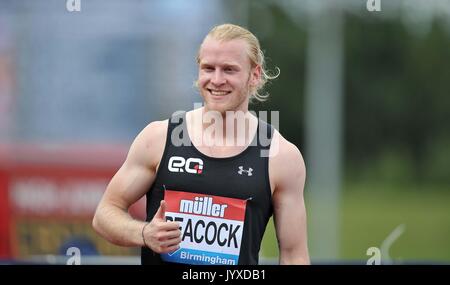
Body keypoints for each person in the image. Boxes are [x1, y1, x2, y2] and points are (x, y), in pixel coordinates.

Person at [92, 23, 309, 265]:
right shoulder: (158, 138)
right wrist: (144, 234)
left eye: (229, 70)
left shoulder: (281, 157)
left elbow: (294, 255)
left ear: (254, 75)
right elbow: (104, 214)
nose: (217, 80)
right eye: (208, 68)